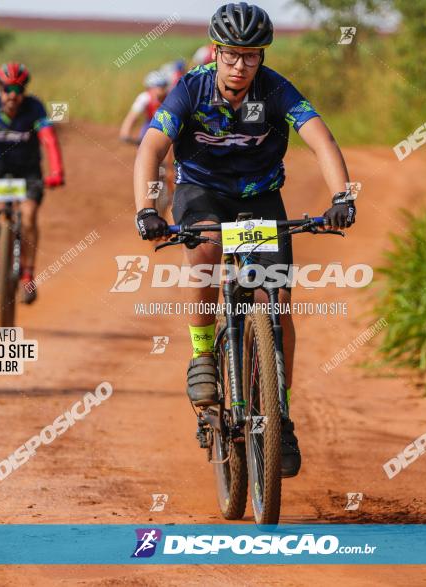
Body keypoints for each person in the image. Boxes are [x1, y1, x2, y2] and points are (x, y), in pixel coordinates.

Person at [132, 2, 356, 479]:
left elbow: (322, 139)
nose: (240, 66)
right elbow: (152, 146)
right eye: (232, 55)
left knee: (276, 304)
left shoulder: (276, 89)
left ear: (261, 57)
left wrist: (342, 196)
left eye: (251, 56)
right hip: (201, 193)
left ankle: (282, 415)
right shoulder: (191, 88)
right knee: (208, 250)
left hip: (259, 199)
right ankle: (202, 354)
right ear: (216, 52)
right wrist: (147, 209)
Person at [0, 62, 65, 303]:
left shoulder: (35, 108)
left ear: (25, 92)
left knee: (28, 215)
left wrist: (57, 171)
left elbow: (49, 140)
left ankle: (28, 275)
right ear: (0, 89)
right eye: (8, 90)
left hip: (28, 167)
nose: (12, 96)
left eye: (18, 91)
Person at [119, 71, 170, 144]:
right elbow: (132, 117)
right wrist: (125, 134)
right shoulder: (144, 98)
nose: (162, 88)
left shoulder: (170, 97)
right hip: (150, 125)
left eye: (164, 85)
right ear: (150, 88)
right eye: (159, 85)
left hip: (168, 125)